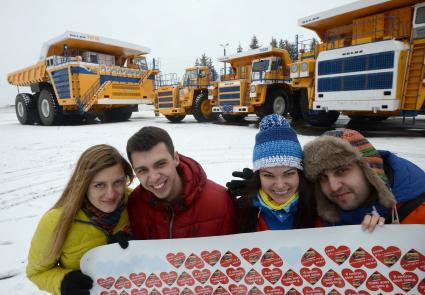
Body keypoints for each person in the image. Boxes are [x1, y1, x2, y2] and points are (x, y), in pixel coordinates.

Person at [26, 144, 134, 295]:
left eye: (118, 182)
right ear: (83, 184)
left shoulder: (136, 203)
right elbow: (36, 272)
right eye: (99, 185)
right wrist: (63, 282)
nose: (111, 194)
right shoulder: (55, 221)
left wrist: (138, 242)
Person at [126, 126, 236, 239]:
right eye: (142, 170)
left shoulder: (220, 201)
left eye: (160, 164)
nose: (154, 178)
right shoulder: (135, 204)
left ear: (175, 158)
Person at [303, 128, 425, 226]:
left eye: (342, 170)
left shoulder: (418, 214)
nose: (334, 187)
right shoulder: (316, 217)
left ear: (369, 170)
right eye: (322, 177)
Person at [228, 114, 316, 232]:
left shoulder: (320, 207)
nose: (280, 185)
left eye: (289, 174)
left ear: (300, 173)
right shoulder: (243, 211)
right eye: (268, 175)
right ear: (258, 176)